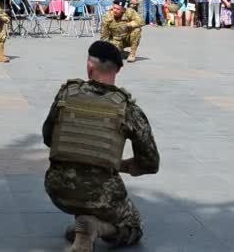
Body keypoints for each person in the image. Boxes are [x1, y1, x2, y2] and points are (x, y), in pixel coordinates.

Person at [43, 40, 159, 252]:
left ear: (89, 66)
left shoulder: (65, 95)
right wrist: (117, 164)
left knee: (84, 188)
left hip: (57, 189)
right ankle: (97, 227)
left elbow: (48, 137)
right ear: (118, 70)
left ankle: (84, 227)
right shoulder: (128, 108)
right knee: (133, 227)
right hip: (102, 193)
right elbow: (150, 163)